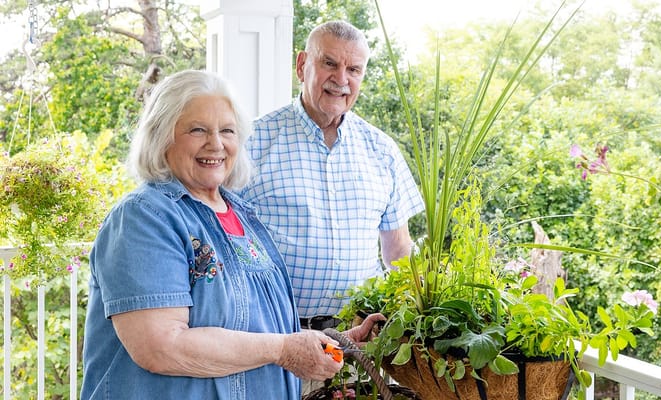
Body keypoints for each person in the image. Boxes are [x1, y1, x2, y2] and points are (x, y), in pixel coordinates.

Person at [80, 69, 384, 400]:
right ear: (162, 136)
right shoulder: (144, 217)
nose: (216, 144)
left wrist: (334, 343)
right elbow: (161, 347)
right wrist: (283, 349)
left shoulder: (242, 215)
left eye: (227, 130)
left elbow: (254, 330)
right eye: (197, 130)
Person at [241, 21, 424, 329]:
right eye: (329, 63)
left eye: (354, 69)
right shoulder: (251, 141)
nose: (341, 79)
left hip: (361, 340)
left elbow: (399, 253)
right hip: (274, 336)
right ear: (302, 65)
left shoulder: (381, 149)